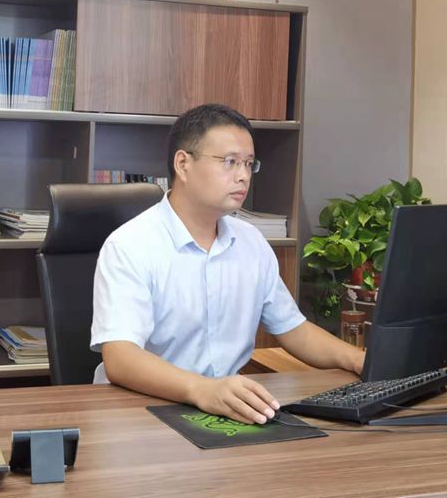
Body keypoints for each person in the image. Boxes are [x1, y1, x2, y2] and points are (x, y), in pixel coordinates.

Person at [90, 103, 365, 425]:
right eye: (230, 162)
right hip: (138, 412)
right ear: (183, 164)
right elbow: (121, 359)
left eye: (249, 164)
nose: (243, 175)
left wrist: (360, 360)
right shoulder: (130, 245)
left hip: (221, 411)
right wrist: (202, 389)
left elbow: (294, 330)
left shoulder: (251, 242)